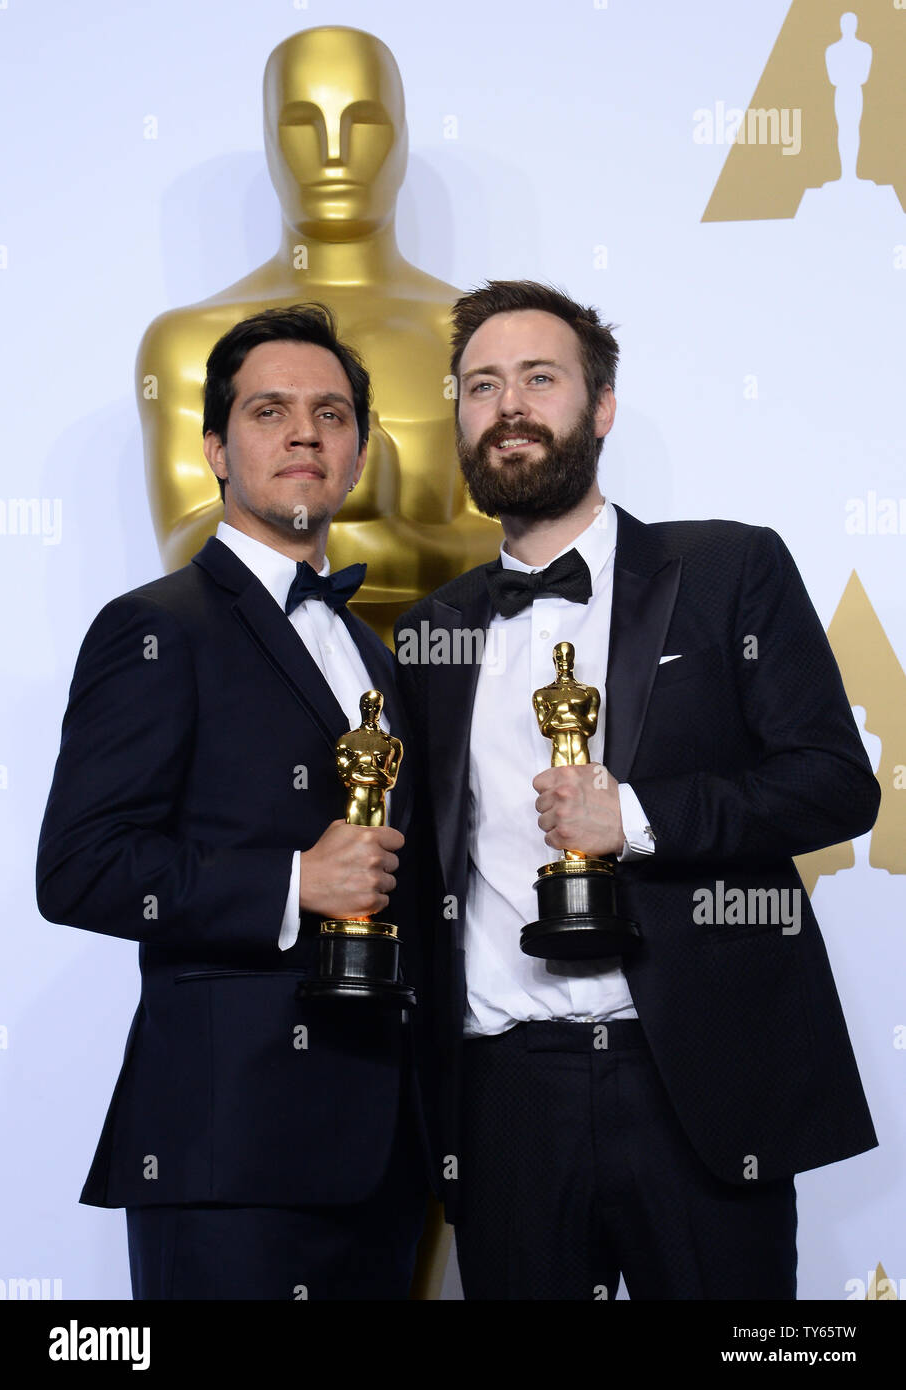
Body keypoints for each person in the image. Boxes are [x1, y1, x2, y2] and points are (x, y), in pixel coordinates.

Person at [394, 280, 879, 1301]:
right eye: (481, 385)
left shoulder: (728, 568)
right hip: (504, 1100)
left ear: (601, 406)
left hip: (696, 1085)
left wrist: (640, 817)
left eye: (539, 377)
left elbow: (835, 783)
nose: (509, 404)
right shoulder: (427, 634)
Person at [37, 304, 430, 1300]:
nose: (306, 431)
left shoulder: (378, 656)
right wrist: (293, 882)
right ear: (215, 448)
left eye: (331, 413)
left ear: (357, 453)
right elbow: (79, 867)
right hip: (227, 1158)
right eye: (270, 410)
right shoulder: (152, 629)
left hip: (386, 1157)